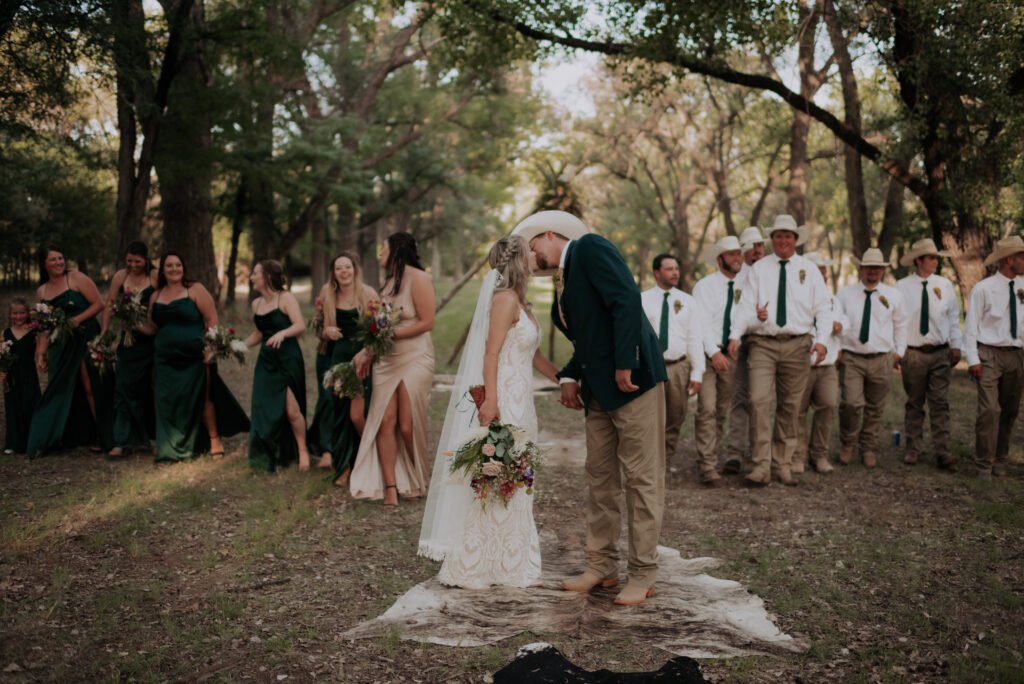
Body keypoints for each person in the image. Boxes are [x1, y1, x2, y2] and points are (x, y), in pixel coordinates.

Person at [526, 210, 667, 607]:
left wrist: (626, 362)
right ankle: (601, 566)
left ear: (550, 235)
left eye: (534, 245)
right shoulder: (564, 279)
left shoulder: (589, 247)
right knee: (600, 479)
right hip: (598, 393)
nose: (531, 253)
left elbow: (626, 300)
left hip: (633, 381)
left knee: (642, 481)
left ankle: (643, 574)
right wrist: (570, 375)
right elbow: (589, 337)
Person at [429, 235, 561, 588]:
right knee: (499, 471)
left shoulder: (522, 301)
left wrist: (563, 378)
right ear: (517, 259)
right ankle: (477, 562)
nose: (537, 255)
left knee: (515, 473)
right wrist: (491, 400)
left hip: (523, 398)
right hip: (504, 395)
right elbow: (491, 354)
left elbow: (531, 354)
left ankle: (510, 558)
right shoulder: (504, 299)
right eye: (531, 252)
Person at [727, 215, 832, 486]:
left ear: (795, 239)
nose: (783, 240)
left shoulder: (809, 270)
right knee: (758, 400)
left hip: (798, 344)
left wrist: (822, 340)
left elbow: (823, 308)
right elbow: (746, 307)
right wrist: (736, 334)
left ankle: (782, 464)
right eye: (778, 236)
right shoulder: (759, 269)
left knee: (790, 405)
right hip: (763, 344)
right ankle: (761, 465)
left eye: (788, 235)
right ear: (771, 239)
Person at [139, 252, 249, 464]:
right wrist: (134, 322)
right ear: (162, 270)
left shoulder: (195, 290)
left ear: (183, 267)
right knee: (165, 401)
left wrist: (211, 348)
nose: (174, 269)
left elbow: (212, 319)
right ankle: (167, 443)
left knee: (202, 396)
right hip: (164, 358)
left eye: (178, 265)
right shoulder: (156, 295)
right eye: (169, 266)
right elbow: (154, 327)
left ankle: (214, 438)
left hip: (194, 357)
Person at [350, 233, 435, 507]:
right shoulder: (387, 285)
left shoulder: (419, 279)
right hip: (386, 360)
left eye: (382, 248)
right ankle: (390, 486)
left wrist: (392, 337)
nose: (379, 253)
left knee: (408, 426)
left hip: (415, 356)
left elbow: (427, 322)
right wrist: (367, 352)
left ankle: (418, 479)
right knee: (385, 421)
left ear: (396, 249)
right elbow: (380, 330)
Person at [26, 246, 109, 457]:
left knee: (90, 385)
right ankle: (55, 435)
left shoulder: (76, 278)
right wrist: (41, 354)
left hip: (84, 337)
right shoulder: (41, 291)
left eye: (61, 258)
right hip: (60, 345)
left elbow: (99, 304)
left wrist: (76, 320)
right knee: (59, 388)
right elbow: (42, 327)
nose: (58, 262)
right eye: (53, 259)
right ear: (44, 264)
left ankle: (102, 433)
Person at [306, 253, 376, 485]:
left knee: (356, 416)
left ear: (354, 269)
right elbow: (324, 329)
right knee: (339, 415)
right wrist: (328, 332)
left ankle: (370, 459)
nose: (344, 271)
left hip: (361, 359)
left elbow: (378, 332)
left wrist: (365, 354)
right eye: (338, 268)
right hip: (339, 358)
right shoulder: (328, 293)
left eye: (347, 267)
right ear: (333, 273)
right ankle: (343, 467)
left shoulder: (368, 293)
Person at [895, 238, 963, 469]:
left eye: (937, 257)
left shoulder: (944, 286)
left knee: (940, 402)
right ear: (918, 260)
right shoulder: (901, 287)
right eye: (932, 257)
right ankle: (913, 448)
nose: (936, 261)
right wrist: (898, 350)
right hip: (913, 353)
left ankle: (943, 451)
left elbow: (953, 317)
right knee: (914, 401)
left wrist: (956, 346)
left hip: (940, 352)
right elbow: (897, 321)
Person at [835, 247, 907, 468]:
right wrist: (837, 349)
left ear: (883, 270)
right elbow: (837, 322)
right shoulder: (845, 295)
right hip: (852, 357)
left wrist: (898, 352)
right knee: (851, 403)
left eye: (877, 268)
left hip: (881, 358)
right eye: (869, 267)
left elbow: (901, 325)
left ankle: (868, 447)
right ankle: (848, 443)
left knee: (875, 407)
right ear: (860, 268)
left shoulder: (893, 295)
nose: (873, 271)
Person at [964, 235, 1024, 480]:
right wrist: (973, 360)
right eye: (1022, 256)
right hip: (988, 353)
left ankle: (1000, 458)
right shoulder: (983, 289)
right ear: (1009, 259)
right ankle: (983, 464)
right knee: (989, 409)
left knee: (1009, 410)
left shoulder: (1023, 287)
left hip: (1017, 355)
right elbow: (970, 326)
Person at [243, 260, 308, 472]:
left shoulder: (285, 298)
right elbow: (259, 334)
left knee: (291, 410)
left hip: (287, 359)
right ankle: (270, 451)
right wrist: (237, 346)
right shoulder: (257, 304)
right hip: (266, 362)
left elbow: (300, 325)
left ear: (268, 277)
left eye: (255, 273)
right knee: (265, 409)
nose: (251, 277)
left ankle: (302, 450)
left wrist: (282, 332)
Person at [691, 236, 744, 486]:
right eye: (732, 254)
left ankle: (710, 453)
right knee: (707, 408)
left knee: (722, 410)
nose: (737, 258)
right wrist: (713, 352)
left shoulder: (746, 285)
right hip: (707, 355)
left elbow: (745, 317)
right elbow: (700, 323)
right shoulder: (705, 286)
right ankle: (707, 465)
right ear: (720, 259)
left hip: (731, 355)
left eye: (739, 254)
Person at [640, 254, 703, 464]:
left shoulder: (688, 301)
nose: (675, 273)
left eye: (676, 268)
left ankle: (665, 460)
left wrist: (697, 372)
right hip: (650, 366)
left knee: (676, 414)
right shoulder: (642, 300)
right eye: (669, 269)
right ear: (657, 272)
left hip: (678, 367)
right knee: (648, 415)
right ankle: (648, 459)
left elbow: (694, 337)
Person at [101, 241, 159, 458]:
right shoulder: (120, 277)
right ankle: (122, 440)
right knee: (123, 387)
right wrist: (105, 331)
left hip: (152, 340)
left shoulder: (155, 276)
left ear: (146, 259)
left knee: (153, 389)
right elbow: (109, 304)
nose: (133, 265)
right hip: (129, 340)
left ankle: (155, 439)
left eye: (137, 261)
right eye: (129, 261)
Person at [794, 252, 845, 474]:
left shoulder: (833, 299)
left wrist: (839, 328)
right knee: (797, 410)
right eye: (817, 269)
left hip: (827, 366)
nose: (822, 273)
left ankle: (819, 455)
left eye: (824, 270)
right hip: (800, 364)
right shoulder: (795, 295)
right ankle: (797, 456)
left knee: (828, 405)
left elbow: (845, 326)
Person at [721, 226, 767, 474]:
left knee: (761, 399)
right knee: (740, 396)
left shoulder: (770, 273)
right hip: (739, 342)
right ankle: (735, 452)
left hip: (764, 343)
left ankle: (760, 451)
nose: (757, 250)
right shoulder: (736, 278)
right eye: (752, 246)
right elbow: (733, 311)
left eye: (760, 245)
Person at [2, 298, 41, 454]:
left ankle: (32, 441)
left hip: (29, 373)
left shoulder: (34, 332)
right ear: (10, 315)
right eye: (15, 313)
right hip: (11, 376)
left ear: (28, 313)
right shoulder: (4, 334)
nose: (19, 316)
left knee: (30, 405)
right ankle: (13, 443)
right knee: (12, 407)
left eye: (22, 313)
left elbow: (41, 351)